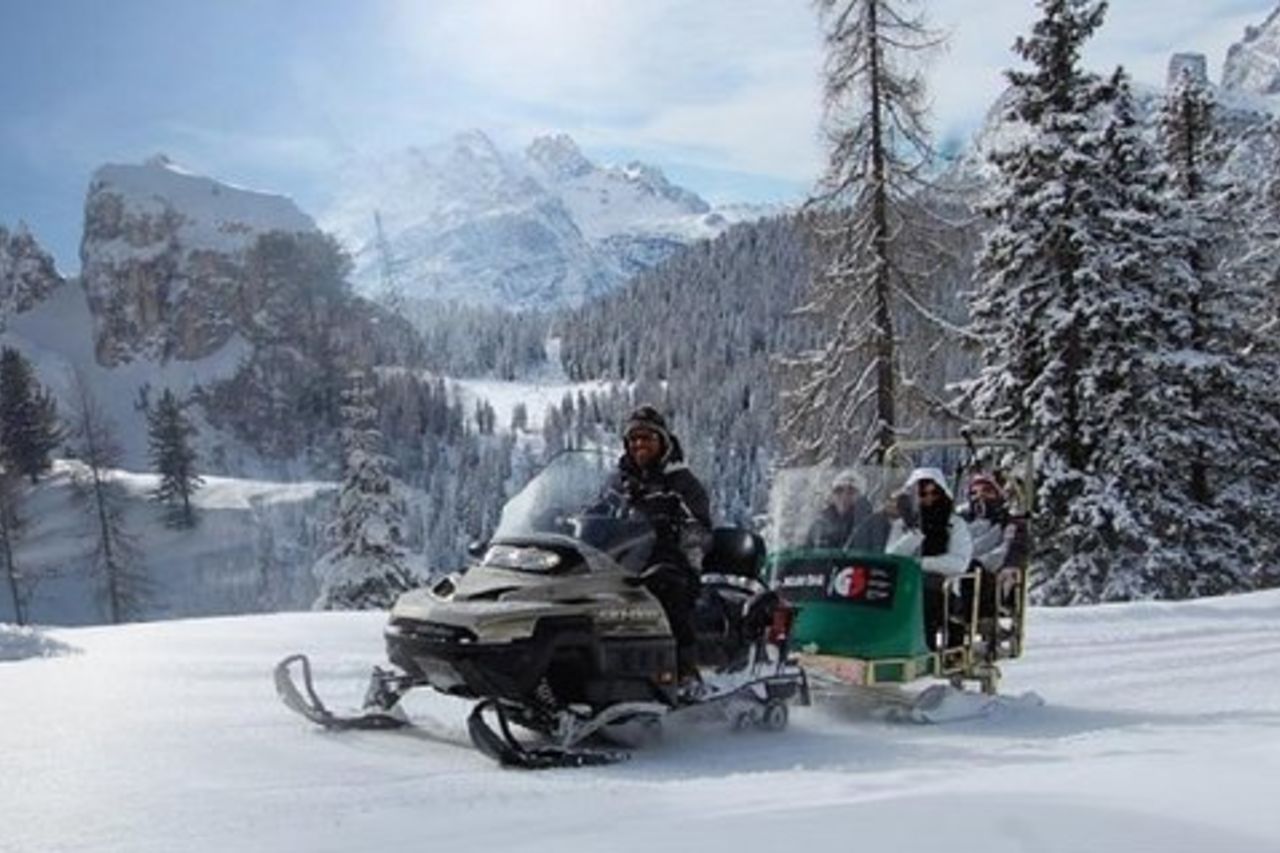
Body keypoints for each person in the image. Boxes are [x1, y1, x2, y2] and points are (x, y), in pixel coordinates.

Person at [599, 405, 712, 687]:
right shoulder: (618, 482)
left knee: (667, 589)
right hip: (621, 562)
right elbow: (596, 514)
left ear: (661, 440)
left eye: (646, 437)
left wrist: (680, 535)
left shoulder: (681, 482)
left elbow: (700, 526)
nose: (639, 444)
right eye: (633, 439)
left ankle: (685, 672)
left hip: (671, 563)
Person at [885, 467, 973, 650]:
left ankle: (927, 650)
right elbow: (891, 557)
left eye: (934, 493)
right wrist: (914, 533)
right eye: (922, 493)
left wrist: (921, 564)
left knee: (927, 599)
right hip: (905, 588)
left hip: (942, 588)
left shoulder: (954, 524)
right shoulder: (902, 526)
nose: (929, 498)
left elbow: (959, 562)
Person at [961, 473, 1027, 614]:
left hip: (989, 579)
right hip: (957, 575)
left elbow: (1009, 550)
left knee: (971, 571)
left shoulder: (1009, 524)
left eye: (987, 491)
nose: (980, 497)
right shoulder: (961, 523)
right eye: (974, 493)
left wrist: (977, 562)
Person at [805, 469, 889, 553]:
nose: (844, 496)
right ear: (832, 496)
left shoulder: (873, 524)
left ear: (861, 495)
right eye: (839, 491)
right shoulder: (819, 525)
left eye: (851, 491)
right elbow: (807, 555)